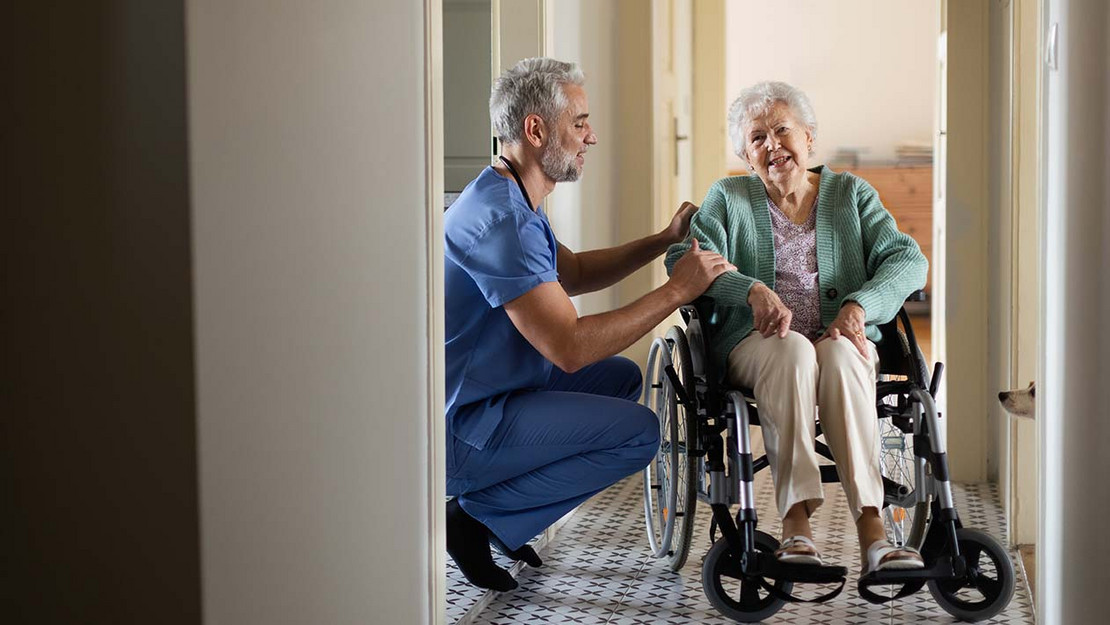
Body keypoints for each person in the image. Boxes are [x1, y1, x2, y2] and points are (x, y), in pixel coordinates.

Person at [444, 57, 735, 591]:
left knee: (620, 380)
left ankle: (497, 512)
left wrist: (663, 239)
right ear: (536, 130)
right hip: (463, 427)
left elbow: (571, 272)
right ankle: (475, 516)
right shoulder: (503, 220)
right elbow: (571, 349)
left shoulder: (511, 193)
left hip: (491, 393)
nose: (591, 136)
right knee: (637, 435)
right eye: (579, 122)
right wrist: (677, 290)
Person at [665, 81, 929, 575]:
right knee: (792, 351)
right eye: (757, 137)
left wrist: (859, 304)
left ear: (809, 137)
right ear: (745, 153)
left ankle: (873, 532)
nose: (772, 146)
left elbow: (908, 259)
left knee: (843, 353)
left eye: (782, 130)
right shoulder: (728, 197)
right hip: (758, 345)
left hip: (839, 340)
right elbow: (684, 258)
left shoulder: (851, 194)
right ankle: (796, 526)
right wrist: (748, 288)